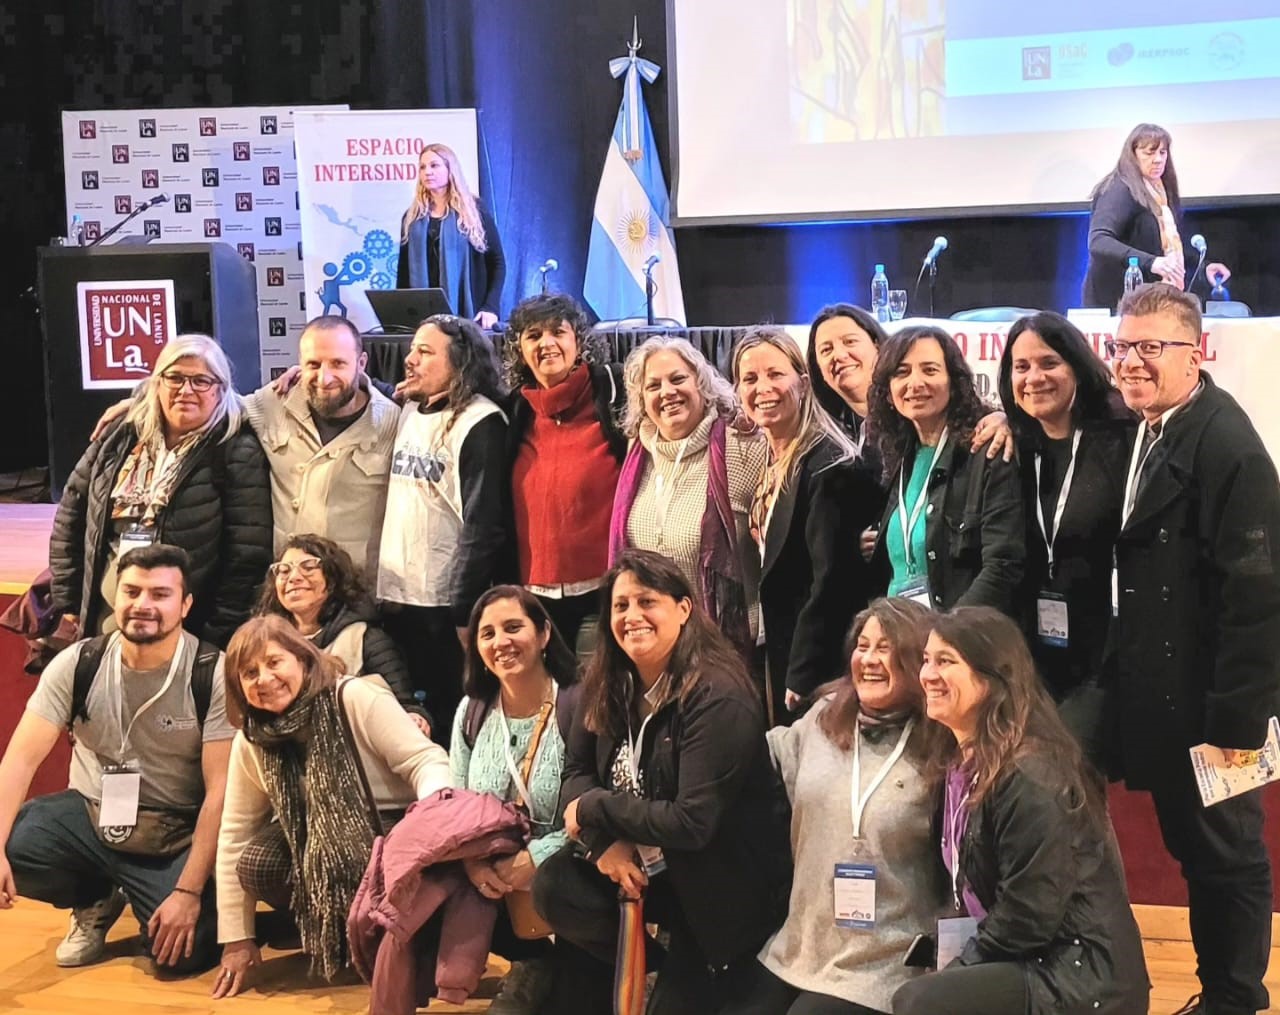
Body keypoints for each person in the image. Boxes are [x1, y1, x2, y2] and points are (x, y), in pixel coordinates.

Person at [1105, 283, 1280, 1015]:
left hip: (1215, 710)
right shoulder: (1151, 423)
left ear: (1195, 352)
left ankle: (1235, 1000)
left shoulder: (1228, 446)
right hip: (1168, 698)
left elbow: (1257, 598)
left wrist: (1237, 724)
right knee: (1200, 856)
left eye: (1151, 347)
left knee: (1227, 859)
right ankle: (1219, 994)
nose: (1131, 362)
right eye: (1122, 347)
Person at [533, 550, 792, 1015]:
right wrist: (602, 844)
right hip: (648, 871)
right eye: (620, 605)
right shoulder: (605, 681)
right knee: (554, 885)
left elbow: (692, 822)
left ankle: (691, 972)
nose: (631, 615)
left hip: (718, 888)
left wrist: (594, 810)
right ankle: (653, 965)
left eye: (646, 601)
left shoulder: (718, 694)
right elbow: (575, 774)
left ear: (684, 609)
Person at [893, 607, 1149, 1015]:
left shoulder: (1031, 774)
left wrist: (961, 967)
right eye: (926, 660)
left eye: (946, 661)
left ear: (993, 678)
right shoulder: (958, 763)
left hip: (1079, 972)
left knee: (919, 1002)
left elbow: (1029, 913)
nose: (927, 675)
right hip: (1028, 953)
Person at [0, 545, 235, 974]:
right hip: (93, 813)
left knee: (186, 953)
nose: (143, 605)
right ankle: (96, 898)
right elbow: (18, 762)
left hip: (173, 829)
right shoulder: (79, 662)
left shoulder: (211, 673)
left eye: (160, 594)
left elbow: (220, 792)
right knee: (16, 844)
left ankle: (154, 891)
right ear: (116, 597)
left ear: (185, 605)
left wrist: (187, 892)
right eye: (132, 591)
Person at [723, 598, 947, 1015]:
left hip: (890, 958)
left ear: (918, 660)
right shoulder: (825, 717)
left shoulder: (939, 742)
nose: (870, 659)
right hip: (802, 944)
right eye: (863, 646)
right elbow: (758, 756)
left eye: (885, 648)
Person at [211, 615, 451, 998]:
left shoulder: (354, 697)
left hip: (393, 823)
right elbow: (236, 831)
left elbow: (426, 760)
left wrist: (430, 820)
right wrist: (237, 939)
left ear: (303, 659)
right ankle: (337, 932)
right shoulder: (252, 738)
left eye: (274, 662)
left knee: (360, 855)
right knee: (257, 863)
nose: (264, 679)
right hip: (318, 835)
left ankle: (409, 937)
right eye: (249, 673)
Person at [89, 316, 399, 581]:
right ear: (299, 364)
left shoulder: (394, 423)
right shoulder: (273, 403)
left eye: (338, 363)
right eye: (313, 364)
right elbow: (211, 403)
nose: (324, 377)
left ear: (361, 363)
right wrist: (144, 403)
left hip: (353, 591)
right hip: (285, 589)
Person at [49, 333, 272, 648]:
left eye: (201, 381)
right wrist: (68, 601)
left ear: (220, 389)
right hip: (105, 616)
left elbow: (247, 554)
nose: (186, 390)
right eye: (175, 378)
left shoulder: (236, 450)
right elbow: (71, 513)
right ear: (156, 383)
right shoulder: (120, 435)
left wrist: (217, 633)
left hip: (188, 631)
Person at [996, 312, 1135, 762]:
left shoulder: (1123, 438)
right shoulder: (1013, 445)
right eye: (1021, 367)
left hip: (1106, 653)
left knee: (1061, 768)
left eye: (1049, 363)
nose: (1034, 377)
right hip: (1034, 652)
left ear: (1077, 366)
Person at [734, 327, 883, 721]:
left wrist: (804, 670)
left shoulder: (829, 464)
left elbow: (832, 581)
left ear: (802, 383)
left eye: (775, 374)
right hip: (777, 649)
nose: (762, 388)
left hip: (816, 668)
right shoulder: (771, 459)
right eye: (750, 378)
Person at [449, 586, 581, 1015]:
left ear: (543, 633)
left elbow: (598, 809)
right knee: (431, 874)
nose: (500, 642)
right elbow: (457, 806)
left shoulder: (578, 704)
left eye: (512, 627)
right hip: (495, 868)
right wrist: (473, 862)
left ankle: (584, 966)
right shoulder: (471, 711)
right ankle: (531, 964)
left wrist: (536, 857)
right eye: (487, 633)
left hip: (571, 861)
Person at [377, 313, 508, 746]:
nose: (409, 359)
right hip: (396, 598)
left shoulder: (481, 421)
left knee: (454, 723)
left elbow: (483, 526)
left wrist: (463, 610)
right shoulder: (410, 408)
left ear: (460, 360)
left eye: (425, 351)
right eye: (411, 349)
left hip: (443, 608)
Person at [609, 336, 764, 660]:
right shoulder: (637, 454)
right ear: (641, 399)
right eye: (653, 386)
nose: (667, 392)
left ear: (702, 384)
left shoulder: (743, 446)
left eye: (678, 379)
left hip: (726, 650)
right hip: (655, 651)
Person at [868, 326, 1024, 614]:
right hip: (900, 632)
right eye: (902, 372)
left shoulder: (987, 450)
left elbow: (1003, 565)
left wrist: (947, 632)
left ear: (954, 383)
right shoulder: (898, 458)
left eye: (930, 370)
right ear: (888, 393)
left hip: (960, 633)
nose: (915, 383)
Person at [503, 294, 626, 653]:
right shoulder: (514, 409)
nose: (546, 343)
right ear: (520, 350)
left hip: (604, 592)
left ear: (579, 341)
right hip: (534, 598)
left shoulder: (613, 393)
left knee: (597, 688)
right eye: (533, 335)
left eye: (558, 332)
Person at [807, 304, 1015, 475]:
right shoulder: (826, 437)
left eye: (850, 341)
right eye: (826, 349)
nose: (839, 355)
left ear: (877, 345)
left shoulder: (917, 414)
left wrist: (1005, 420)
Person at [255, 534, 423, 721]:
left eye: (308, 567)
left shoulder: (364, 638)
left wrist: (416, 717)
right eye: (284, 571)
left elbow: (406, 706)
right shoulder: (264, 641)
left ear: (333, 579)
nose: (293, 578)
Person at [1083, 123, 1232, 311]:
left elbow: (1159, 249)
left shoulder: (1158, 192)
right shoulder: (1119, 189)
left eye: (1162, 152)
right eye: (1149, 153)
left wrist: (1203, 267)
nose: (1158, 159)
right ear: (1133, 155)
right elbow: (1099, 241)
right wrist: (1152, 263)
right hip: (1116, 303)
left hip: (1149, 301)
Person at [397, 143, 506, 329]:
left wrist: (490, 307)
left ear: (450, 169)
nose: (427, 172)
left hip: (471, 316)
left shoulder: (474, 211)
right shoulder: (412, 217)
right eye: (422, 167)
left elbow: (497, 263)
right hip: (424, 320)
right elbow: (403, 274)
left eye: (434, 165)